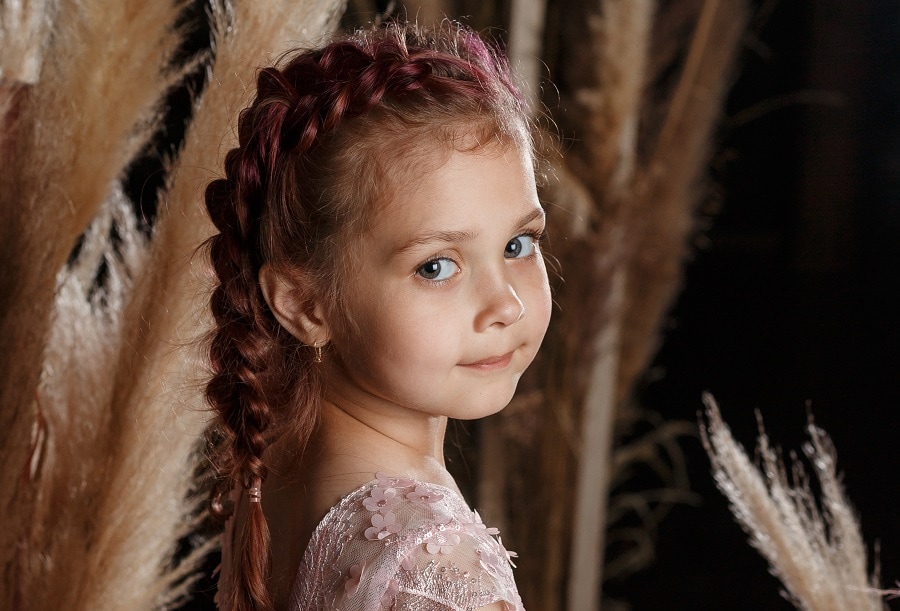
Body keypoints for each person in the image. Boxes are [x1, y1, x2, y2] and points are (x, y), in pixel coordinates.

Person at [203, 20, 551, 611]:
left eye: (517, 245)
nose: (506, 306)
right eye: (437, 267)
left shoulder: (274, 480)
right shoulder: (436, 571)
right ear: (305, 304)